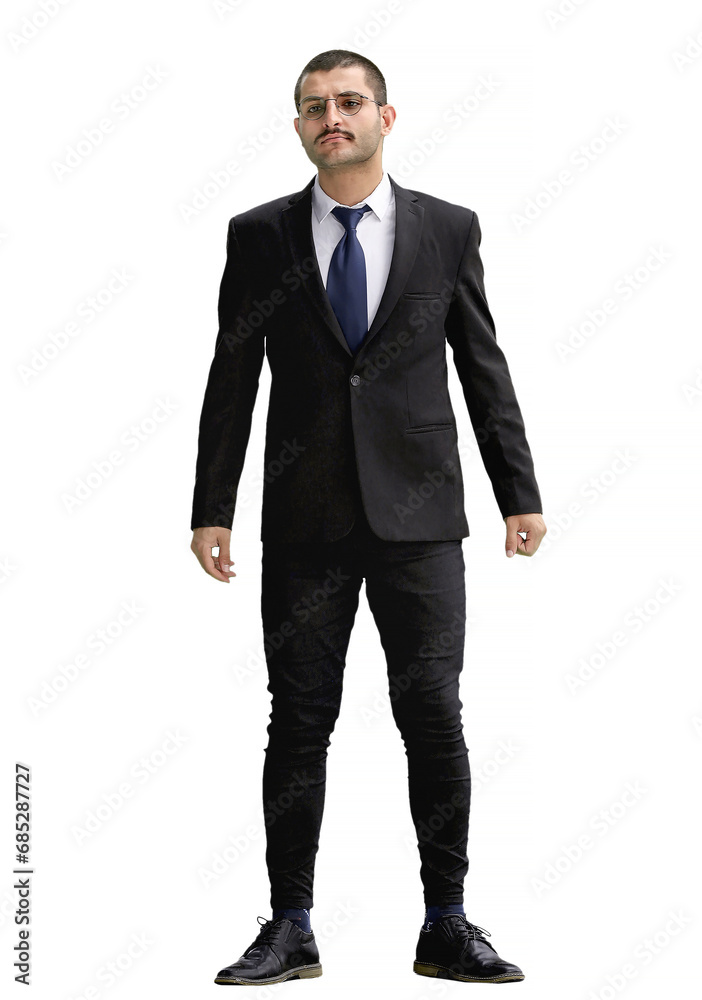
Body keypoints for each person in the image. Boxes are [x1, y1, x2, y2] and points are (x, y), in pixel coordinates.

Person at [190, 49, 546, 986]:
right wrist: (211, 506)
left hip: (421, 518)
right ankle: (291, 927)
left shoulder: (447, 228)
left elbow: (482, 363)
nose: (332, 118)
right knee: (298, 722)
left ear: (386, 117)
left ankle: (446, 922)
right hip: (303, 520)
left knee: (433, 715)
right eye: (314, 107)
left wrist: (518, 490)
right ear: (299, 127)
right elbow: (232, 376)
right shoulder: (258, 236)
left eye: (349, 102)